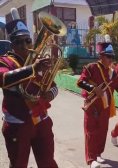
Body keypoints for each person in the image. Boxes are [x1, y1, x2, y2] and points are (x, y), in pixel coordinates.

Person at [1, 8, 58, 167]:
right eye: (18, 41)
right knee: (18, 164)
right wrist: (33, 68)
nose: (24, 45)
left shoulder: (39, 60)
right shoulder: (5, 61)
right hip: (17, 123)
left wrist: (50, 95)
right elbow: (4, 79)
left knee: (48, 162)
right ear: (12, 44)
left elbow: (54, 86)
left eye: (27, 40)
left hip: (42, 120)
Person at [77, 35, 117, 168]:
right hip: (92, 105)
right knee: (91, 132)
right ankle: (91, 159)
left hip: (105, 106)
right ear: (101, 56)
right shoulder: (91, 67)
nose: (111, 60)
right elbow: (80, 82)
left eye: (112, 57)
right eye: (108, 56)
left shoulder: (112, 72)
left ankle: (98, 154)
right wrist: (94, 89)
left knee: (102, 131)